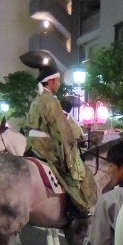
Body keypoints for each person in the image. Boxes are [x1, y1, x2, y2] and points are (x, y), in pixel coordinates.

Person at [25, 65, 97, 219]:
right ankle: (79, 206)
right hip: (45, 147)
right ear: (50, 81)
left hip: (31, 145)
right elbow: (60, 130)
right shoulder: (51, 101)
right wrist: (70, 148)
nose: (59, 84)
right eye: (57, 81)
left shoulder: (36, 100)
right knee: (75, 171)